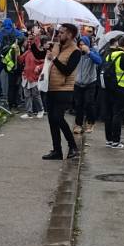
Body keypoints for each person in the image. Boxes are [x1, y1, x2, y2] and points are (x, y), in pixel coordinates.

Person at [41, 23, 84, 160]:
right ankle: (57, 151)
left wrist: (53, 59)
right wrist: (42, 47)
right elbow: (39, 54)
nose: (59, 34)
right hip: (51, 88)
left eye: (61, 32)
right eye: (58, 32)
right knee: (52, 120)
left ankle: (73, 147)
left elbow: (67, 71)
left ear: (70, 35)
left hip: (64, 89)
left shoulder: (75, 51)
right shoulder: (57, 46)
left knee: (58, 117)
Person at [100, 36, 124, 148]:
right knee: (117, 115)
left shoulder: (109, 55)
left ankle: (109, 140)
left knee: (109, 115)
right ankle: (116, 141)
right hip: (120, 89)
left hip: (107, 88)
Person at [73, 33, 102, 133]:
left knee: (89, 102)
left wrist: (89, 52)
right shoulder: (76, 53)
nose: (81, 46)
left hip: (90, 83)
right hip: (77, 83)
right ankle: (78, 124)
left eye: (83, 44)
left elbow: (99, 61)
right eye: (80, 44)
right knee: (78, 104)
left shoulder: (93, 52)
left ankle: (91, 122)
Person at [20, 32, 45, 118]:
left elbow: (44, 63)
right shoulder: (27, 52)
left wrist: (39, 67)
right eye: (29, 41)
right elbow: (20, 60)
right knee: (27, 96)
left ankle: (41, 110)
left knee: (36, 95)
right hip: (26, 77)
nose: (30, 43)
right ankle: (29, 112)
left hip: (34, 77)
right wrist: (17, 51)